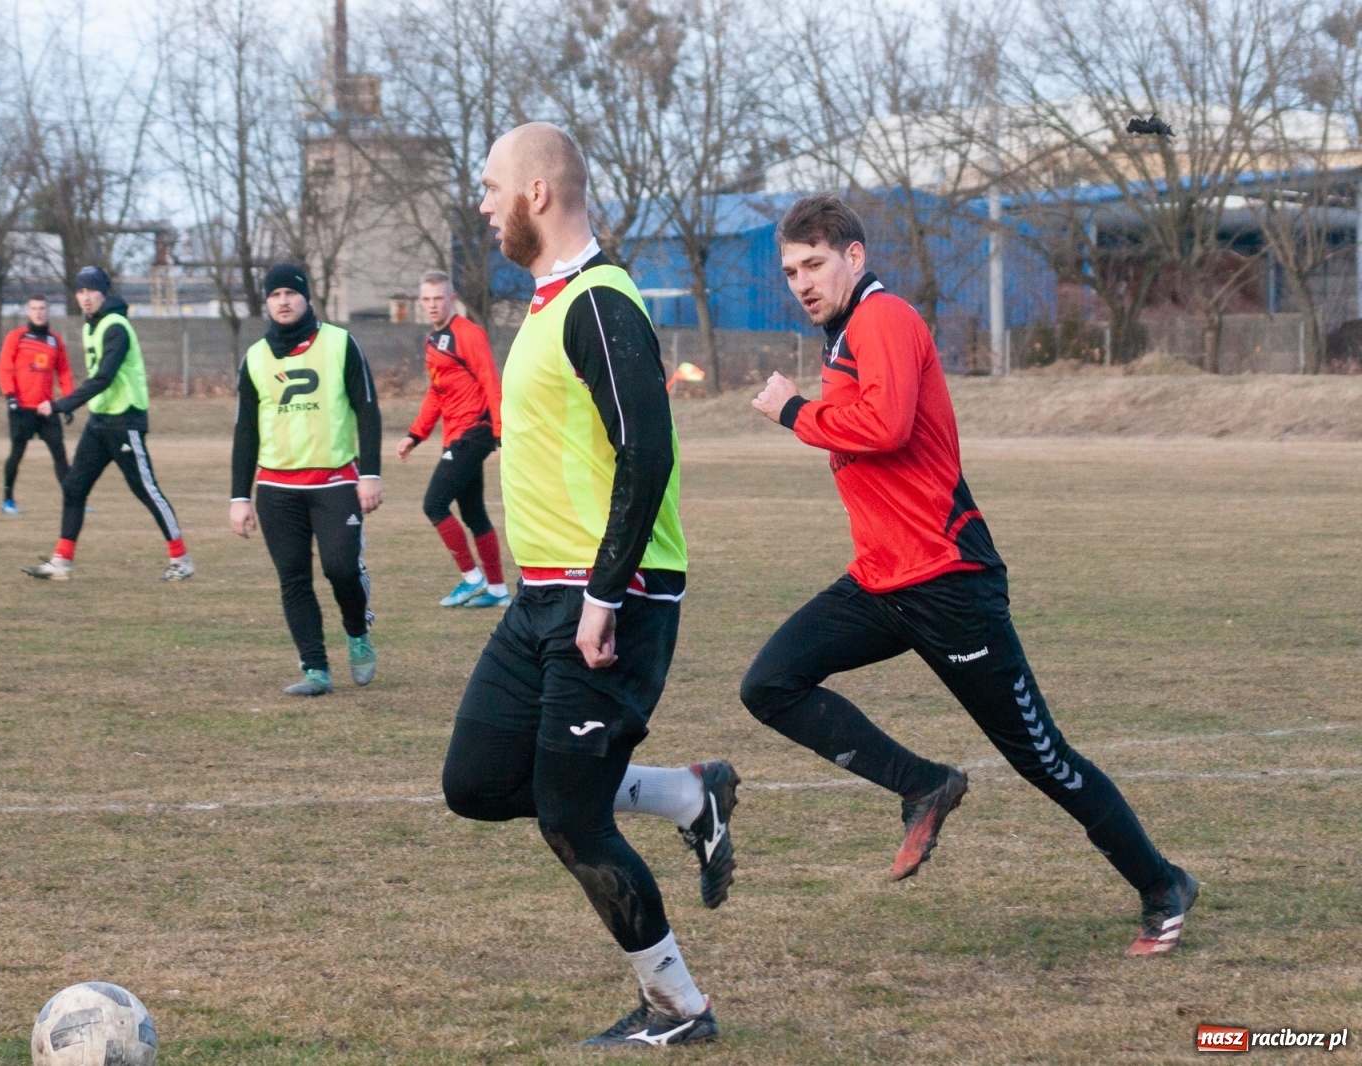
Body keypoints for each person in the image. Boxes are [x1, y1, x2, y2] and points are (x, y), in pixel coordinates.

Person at [744, 194, 1198, 958]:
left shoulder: (884, 319)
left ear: (854, 257)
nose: (802, 281)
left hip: (950, 584)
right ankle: (922, 784)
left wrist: (795, 412)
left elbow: (884, 427)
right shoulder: (845, 335)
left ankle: (1162, 884)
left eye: (815, 263)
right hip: (884, 580)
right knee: (770, 684)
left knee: (1042, 758)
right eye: (791, 269)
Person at [440, 122, 737, 1049]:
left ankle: (677, 1007)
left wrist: (605, 595)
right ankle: (688, 796)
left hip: (613, 598)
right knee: (479, 783)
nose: (482, 204)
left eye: (491, 187)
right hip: (542, 599)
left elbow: (649, 455)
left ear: (537, 193)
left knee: (569, 815)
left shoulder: (602, 304)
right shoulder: (543, 306)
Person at [230, 264, 382, 696]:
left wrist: (369, 474)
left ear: (306, 298)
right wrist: (239, 497)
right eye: (274, 294)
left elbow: (367, 410)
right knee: (293, 578)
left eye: (290, 293)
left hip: (335, 482)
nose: (283, 301)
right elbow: (245, 432)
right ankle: (315, 669)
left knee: (340, 569)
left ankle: (357, 633)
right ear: (266, 301)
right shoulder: (255, 358)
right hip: (277, 489)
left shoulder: (340, 343)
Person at [21, 267, 193, 582]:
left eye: (92, 290)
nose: (85, 297)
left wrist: (61, 405)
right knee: (74, 486)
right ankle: (62, 561)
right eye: (80, 291)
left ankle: (181, 558)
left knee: (145, 489)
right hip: (100, 422)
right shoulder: (91, 327)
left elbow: (104, 378)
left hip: (125, 421)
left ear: (104, 293)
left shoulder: (116, 327)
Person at [396, 270, 510, 609]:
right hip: (455, 435)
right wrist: (415, 435)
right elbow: (437, 393)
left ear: (451, 299)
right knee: (474, 513)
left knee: (434, 504)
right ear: (421, 302)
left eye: (438, 299)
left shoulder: (470, 334)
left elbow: (491, 380)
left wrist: (501, 433)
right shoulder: (433, 340)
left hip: (476, 432)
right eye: (426, 300)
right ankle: (498, 591)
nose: (432, 305)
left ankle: (472, 580)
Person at [0, 295, 72, 514]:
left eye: (42, 308)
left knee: (60, 455)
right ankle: (8, 500)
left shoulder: (55, 340)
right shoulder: (17, 337)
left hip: (46, 409)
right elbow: (4, 368)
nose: (38, 312)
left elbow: (65, 373)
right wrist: (10, 396)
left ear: (48, 311)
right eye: (34, 308)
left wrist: (67, 402)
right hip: (21, 409)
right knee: (16, 454)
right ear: (28, 312)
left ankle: (74, 501)